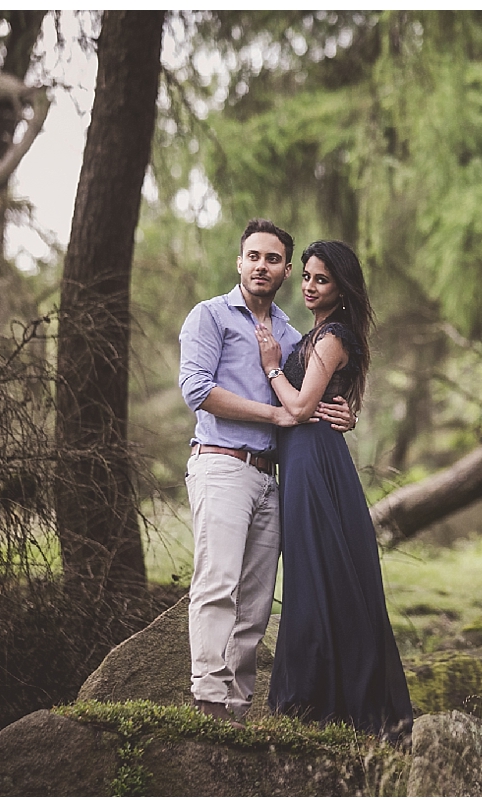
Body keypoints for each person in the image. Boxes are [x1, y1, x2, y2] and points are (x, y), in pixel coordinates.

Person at [178, 219, 357, 728]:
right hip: (221, 463)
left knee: (255, 604)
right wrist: (276, 415)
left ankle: (235, 712)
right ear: (239, 262)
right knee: (217, 584)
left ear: (284, 271)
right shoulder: (209, 317)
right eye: (253, 256)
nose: (262, 266)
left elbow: (314, 393)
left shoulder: (290, 334)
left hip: (271, 477)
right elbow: (196, 390)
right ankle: (208, 704)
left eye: (273, 259)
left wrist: (345, 413)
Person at [256, 240, 414, 742]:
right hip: (305, 458)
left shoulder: (334, 336)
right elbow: (319, 403)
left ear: (341, 288)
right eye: (305, 276)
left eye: (320, 279)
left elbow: (301, 409)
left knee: (319, 568)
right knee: (312, 570)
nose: (308, 286)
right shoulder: (318, 333)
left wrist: (272, 367)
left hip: (313, 461)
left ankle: (320, 699)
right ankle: (318, 692)